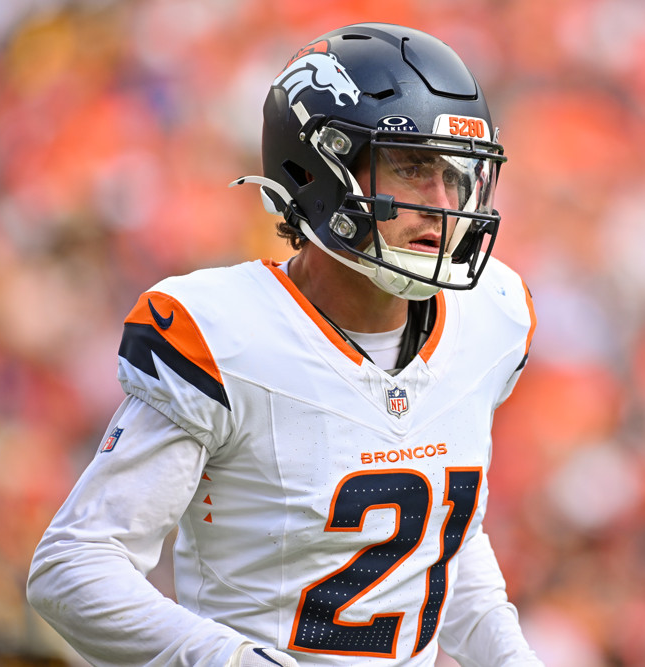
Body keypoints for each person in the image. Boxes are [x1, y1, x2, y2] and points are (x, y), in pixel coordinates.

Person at [27, 22, 542, 667]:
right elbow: (73, 567)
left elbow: (441, 544)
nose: (442, 204)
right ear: (318, 167)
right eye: (413, 168)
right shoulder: (227, 333)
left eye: (457, 174)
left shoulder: (490, 317)